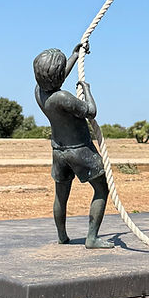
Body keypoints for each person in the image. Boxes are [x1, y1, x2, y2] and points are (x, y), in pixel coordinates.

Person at [33, 45, 113, 249]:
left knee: (61, 195)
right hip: (79, 151)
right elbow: (91, 111)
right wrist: (87, 90)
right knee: (102, 190)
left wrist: (74, 56)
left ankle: (62, 236)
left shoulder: (39, 92)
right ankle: (92, 238)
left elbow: (57, 77)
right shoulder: (63, 98)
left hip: (58, 152)